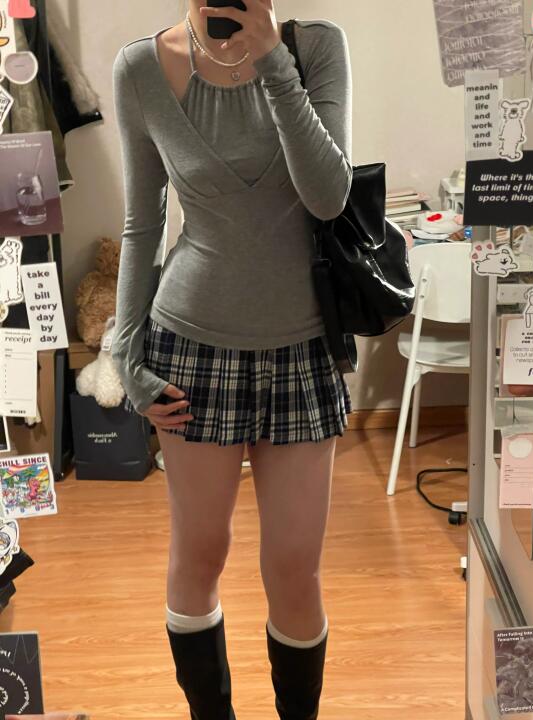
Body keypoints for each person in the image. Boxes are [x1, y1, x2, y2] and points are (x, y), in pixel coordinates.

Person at [111, 0, 353, 717]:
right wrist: (125, 355)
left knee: (295, 567)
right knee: (199, 553)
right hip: (190, 346)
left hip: (301, 345)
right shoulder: (140, 68)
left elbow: (328, 197)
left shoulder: (315, 50)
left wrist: (273, 58)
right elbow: (143, 223)